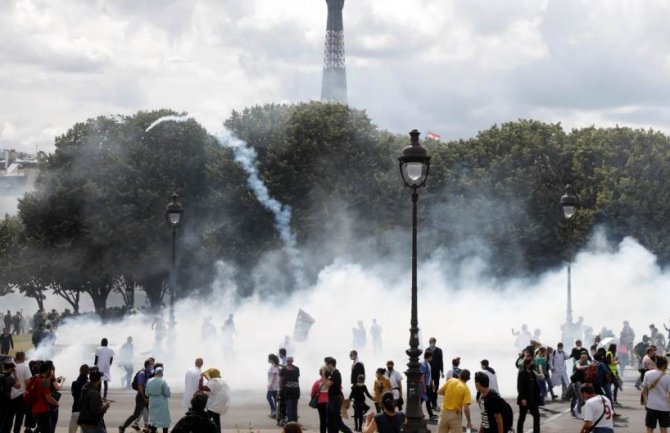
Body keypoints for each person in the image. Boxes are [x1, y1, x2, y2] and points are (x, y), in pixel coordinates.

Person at [119, 358, 154, 433]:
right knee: (136, 415)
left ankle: (150, 429)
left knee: (152, 412)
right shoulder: (142, 373)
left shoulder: (149, 372)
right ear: (148, 365)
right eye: (151, 364)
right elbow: (140, 387)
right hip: (141, 397)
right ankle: (123, 427)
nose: (152, 365)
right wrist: (144, 397)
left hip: (146, 396)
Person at [437, 369, 472, 433]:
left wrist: (449, 394)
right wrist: (469, 421)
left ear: (459, 375)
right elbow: (466, 408)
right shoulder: (466, 389)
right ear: (468, 379)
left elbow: (439, 392)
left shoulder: (450, 380)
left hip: (443, 413)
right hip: (455, 415)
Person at [642, 355, 670, 433]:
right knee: (664, 429)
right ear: (664, 365)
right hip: (664, 407)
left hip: (651, 406)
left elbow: (644, 390)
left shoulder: (648, 374)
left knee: (650, 429)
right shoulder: (668, 377)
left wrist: (645, 403)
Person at [31, 361, 60, 433]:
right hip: (42, 410)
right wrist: (56, 403)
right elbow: (48, 397)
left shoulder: (36, 377)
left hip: (35, 409)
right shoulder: (44, 381)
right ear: (48, 370)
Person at [324, 357, 352, 433]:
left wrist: (323, 376)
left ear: (330, 364)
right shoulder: (332, 374)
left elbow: (327, 385)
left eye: (326, 364)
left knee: (337, 422)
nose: (326, 366)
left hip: (335, 399)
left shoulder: (336, 373)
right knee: (329, 422)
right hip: (332, 399)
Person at [201, 368, 229, 433]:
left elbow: (202, 388)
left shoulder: (213, 382)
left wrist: (201, 379)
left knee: (205, 418)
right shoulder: (220, 381)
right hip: (222, 404)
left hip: (215, 404)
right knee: (216, 418)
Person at [516, 357, 540, 433]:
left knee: (537, 416)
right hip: (524, 400)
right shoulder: (522, 373)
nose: (532, 364)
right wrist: (522, 398)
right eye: (531, 363)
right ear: (526, 365)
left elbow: (535, 386)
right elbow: (519, 387)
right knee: (522, 418)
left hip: (533, 400)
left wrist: (538, 396)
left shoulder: (532, 373)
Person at [9, 352, 31, 433]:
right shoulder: (25, 367)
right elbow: (28, 382)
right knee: (19, 416)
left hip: (10, 394)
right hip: (21, 394)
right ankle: (16, 431)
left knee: (9, 416)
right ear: (23, 358)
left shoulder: (10, 366)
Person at [145, 367, 171, 433]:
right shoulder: (163, 382)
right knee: (164, 420)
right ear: (161, 373)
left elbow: (146, 393)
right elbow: (167, 393)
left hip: (152, 402)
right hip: (162, 403)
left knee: (154, 421)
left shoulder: (149, 381)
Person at [1, 362, 21, 433]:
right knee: (4, 420)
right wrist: (15, 375)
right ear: (10, 369)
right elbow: (18, 386)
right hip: (6, 402)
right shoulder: (10, 378)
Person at [279, 356, 300, 424]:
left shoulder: (283, 369)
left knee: (289, 406)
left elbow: (280, 380)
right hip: (296, 389)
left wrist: (280, 389)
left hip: (287, 390)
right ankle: (295, 420)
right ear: (292, 361)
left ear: (287, 361)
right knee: (294, 406)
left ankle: (291, 421)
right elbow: (297, 380)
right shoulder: (297, 369)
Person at [69, 364, 90, 433]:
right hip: (86, 413)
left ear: (80, 371)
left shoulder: (74, 383)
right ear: (88, 372)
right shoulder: (89, 384)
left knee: (71, 431)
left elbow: (73, 394)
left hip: (76, 410)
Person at [427, 337, 444, 411]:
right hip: (429, 372)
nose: (431, 343)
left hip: (436, 371)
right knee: (430, 387)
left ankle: (434, 403)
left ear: (435, 342)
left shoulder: (439, 350)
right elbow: (425, 360)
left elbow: (441, 361)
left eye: (432, 341)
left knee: (436, 387)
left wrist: (442, 371)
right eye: (430, 341)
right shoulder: (427, 350)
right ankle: (432, 402)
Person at [311, 367, 329, 433]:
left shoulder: (317, 383)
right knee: (330, 420)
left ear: (320, 374)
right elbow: (340, 388)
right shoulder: (331, 382)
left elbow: (313, 393)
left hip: (320, 403)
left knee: (322, 420)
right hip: (330, 403)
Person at [420, 350, 436, 420]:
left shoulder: (428, 364)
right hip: (425, 385)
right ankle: (430, 415)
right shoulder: (423, 364)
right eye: (431, 356)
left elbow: (430, 376)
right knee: (426, 400)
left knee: (424, 400)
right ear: (429, 357)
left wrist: (432, 384)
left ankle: (424, 414)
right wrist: (424, 388)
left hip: (428, 385)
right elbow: (422, 377)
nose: (432, 358)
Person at [267, 354, 280, 419]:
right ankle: (276, 411)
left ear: (271, 359)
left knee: (268, 397)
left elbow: (274, 375)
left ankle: (273, 410)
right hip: (275, 385)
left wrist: (270, 384)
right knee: (275, 398)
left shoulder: (273, 366)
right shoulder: (274, 365)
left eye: (268, 358)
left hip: (273, 385)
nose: (267, 360)